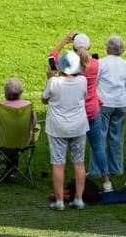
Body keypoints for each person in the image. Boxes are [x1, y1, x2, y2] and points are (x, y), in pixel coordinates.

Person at [50, 33, 103, 184]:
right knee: (96, 147)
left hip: (74, 112)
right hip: (92, 110)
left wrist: (64, 41)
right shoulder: (96, 64)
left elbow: (52, 58)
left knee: (65, 153)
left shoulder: (68, 64)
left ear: (73, 47)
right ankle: (106, 182)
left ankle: (68, 185)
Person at [43, 50, 89, 210]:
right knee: (79, 162)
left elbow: (44, 99)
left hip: (57, 127)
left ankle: (60, 201)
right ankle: (78, 199)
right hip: (78, 126)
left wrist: (49, 79)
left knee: (58, 164)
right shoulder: (83, 80)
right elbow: (83, 95)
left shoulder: (54, 82)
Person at [97, 35, 126, 193]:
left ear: (107, 48)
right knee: (117, 137)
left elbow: (95, 82)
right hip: (121, 103)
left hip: (104, 103)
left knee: (100, 137)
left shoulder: (101, 63)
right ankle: (116, 167)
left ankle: (100, 168)